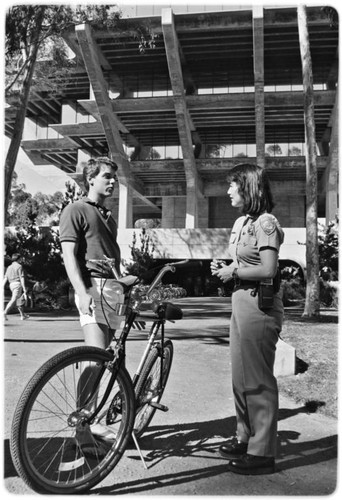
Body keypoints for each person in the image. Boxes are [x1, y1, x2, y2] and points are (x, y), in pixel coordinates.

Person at [211, 163, 284, 476]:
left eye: (233, 185)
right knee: (240, 377)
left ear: (249, 187)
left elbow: (268, 269)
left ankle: (262, 451)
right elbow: (242, 260)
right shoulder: (243, 221)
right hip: (240, 300)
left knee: (258, 379)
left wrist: (234, 271)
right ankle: (245, 436)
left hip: (260, 304)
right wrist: (226, 266)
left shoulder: (266, 223)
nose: (228, 191)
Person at [59, 156, 123, 442]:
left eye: (114, 177)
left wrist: (124, 287)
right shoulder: (75, 209)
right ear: (91, 179)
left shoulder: (107, 216)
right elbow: (69, 256)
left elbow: (113, 259)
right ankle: (85, 424)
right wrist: (82, 291)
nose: (112, 181)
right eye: (107, 176)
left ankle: (86, 426)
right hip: (93, 286)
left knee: (104, 358)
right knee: (94, 358)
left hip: (112, 289)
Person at [3, 253, 29, 321]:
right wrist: (24, 288)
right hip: (17, 285)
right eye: (21, 258)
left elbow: (5, 278)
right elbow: (21, 277)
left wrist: (2, 286)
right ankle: (4, 313)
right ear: (19, 259)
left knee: (19, 300)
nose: (21, 260)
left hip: (11, 285)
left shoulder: (9, 267)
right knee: (14, 299)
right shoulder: (19, 266)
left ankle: (22, 315)